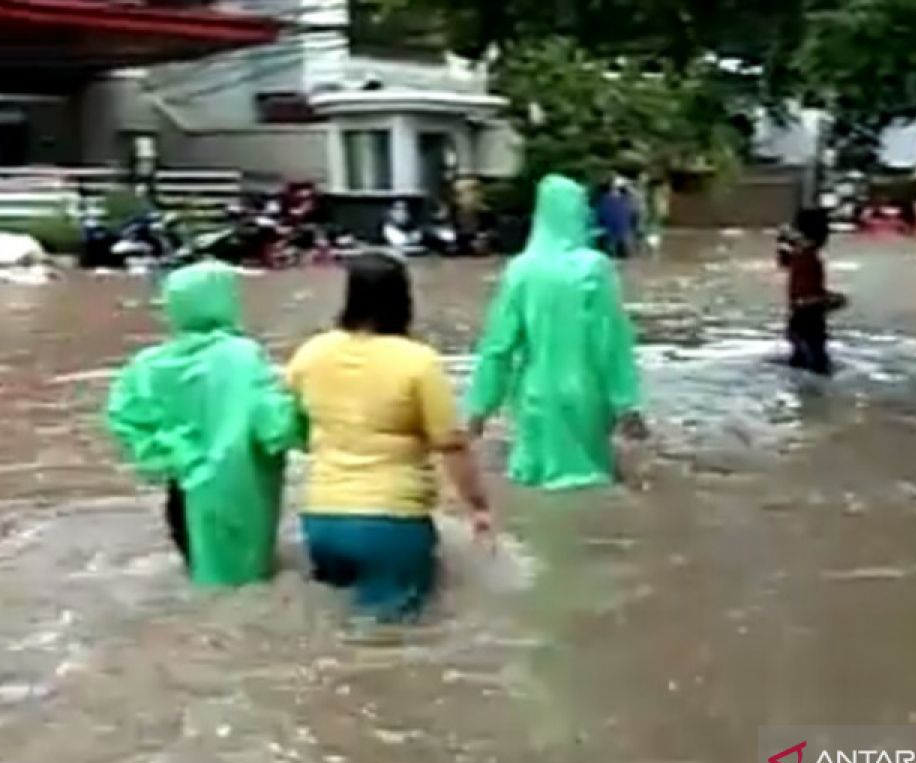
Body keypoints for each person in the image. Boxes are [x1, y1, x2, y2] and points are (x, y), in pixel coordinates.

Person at [286, 252, 492, 620]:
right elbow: (451, 445)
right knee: (390, 639)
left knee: (337, 627)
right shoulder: (418, 361)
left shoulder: (311, 353)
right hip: (391, 523)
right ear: (404, 300)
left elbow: (295, 431)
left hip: (322, 520)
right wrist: (478, 508)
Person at [106, 260, 297, 586]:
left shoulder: (147, 365)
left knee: (202, 583)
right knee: (245, 591)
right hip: (239, 495)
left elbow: (125, 420)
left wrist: (179, 455)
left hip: (183, 493)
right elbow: (275, 428)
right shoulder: (242, 356)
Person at [467, 174, 646, 491]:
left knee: (535, 487)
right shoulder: (595, 268)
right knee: (589, 485)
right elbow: (612, 342)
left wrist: (480, 409)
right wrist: (627, 404)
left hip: (535, 396)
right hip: (586, 398)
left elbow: (498, 347)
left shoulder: (521, 269)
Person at [779, 208, 838, 375]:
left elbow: (784, 262)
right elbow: (804, 300)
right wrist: (832, 300)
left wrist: (784, 239)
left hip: (798, 324)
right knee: (817, 371)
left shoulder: (799, 254)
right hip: (809, 324)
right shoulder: (810, 259)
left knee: (801, 368)